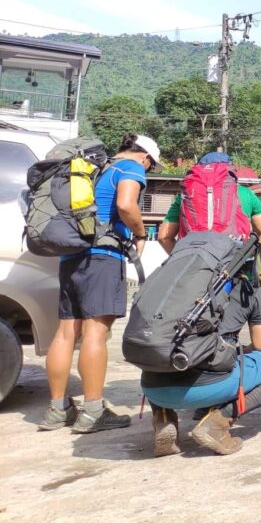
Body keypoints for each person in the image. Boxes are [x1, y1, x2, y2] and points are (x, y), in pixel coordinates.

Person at [39, 133, 163, 433]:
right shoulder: (129, 168)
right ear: (145, 156)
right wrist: (141, 232)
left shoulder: (93, 168)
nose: (147, 171)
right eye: (150, 166)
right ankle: (93, 411)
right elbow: (126, 204)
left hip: (71, 255)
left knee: (67, 331)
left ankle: (57, 409)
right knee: (97, 332)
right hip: (103, 256)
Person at [141, 262, 261, 456]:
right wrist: (231, 350)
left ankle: (164, 418)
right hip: (209, 386)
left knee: (163, 351)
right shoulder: (246, 287)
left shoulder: (173, 282)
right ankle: (218, 422)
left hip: (155, 389)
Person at [155, 151, 261, 255]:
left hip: (192, 261)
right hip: (232, 261)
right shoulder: (246, 193)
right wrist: (245, 256)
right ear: (230, 169)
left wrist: (179, 258)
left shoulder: (186, 195)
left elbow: (163, 237)